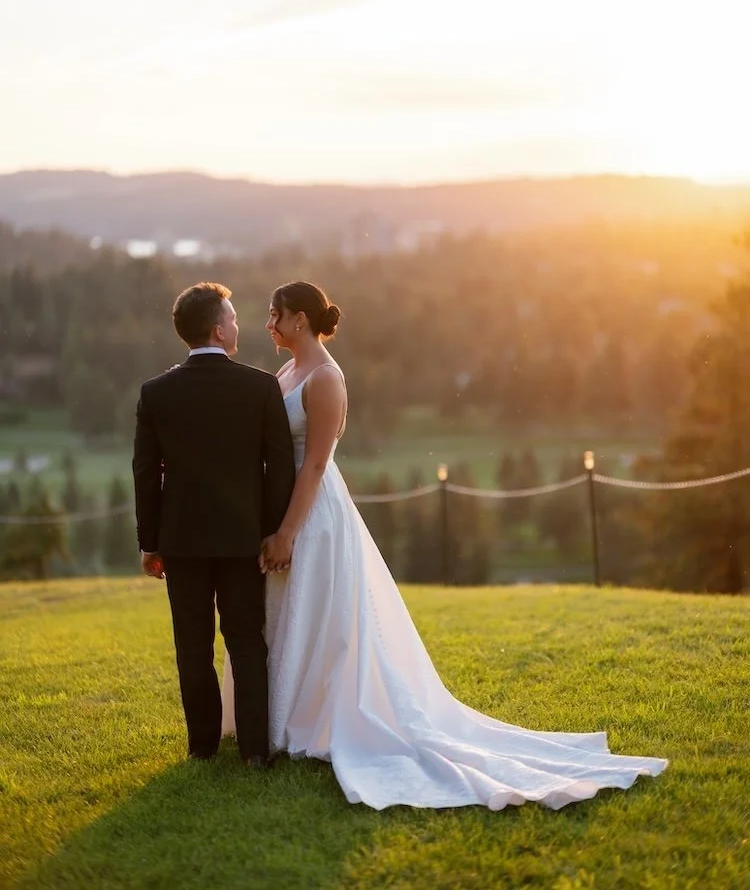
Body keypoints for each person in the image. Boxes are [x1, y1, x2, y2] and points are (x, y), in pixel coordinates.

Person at [221, 280, 668, 809]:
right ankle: (288, 719)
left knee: (320, 615)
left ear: (299, 319)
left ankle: (319, 722)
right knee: (289, 613)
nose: (267, 324)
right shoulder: (287, 370)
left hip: (312, 512)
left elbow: (316, 463)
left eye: (275, 315)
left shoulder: (325, 379)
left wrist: (289, 530)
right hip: (284, 504)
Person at [134, 282, 295, 768]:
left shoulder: (156, 392)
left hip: (180, 541)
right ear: (218, 329)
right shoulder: (259, 387)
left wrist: (149, 541)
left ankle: (201, 746)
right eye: (233, 317)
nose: (239, 325)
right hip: (243, 538)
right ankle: (253, 751)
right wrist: (272, 531)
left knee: (192, 643)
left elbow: (145, 472)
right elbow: (279, 467)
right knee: (247, 641)